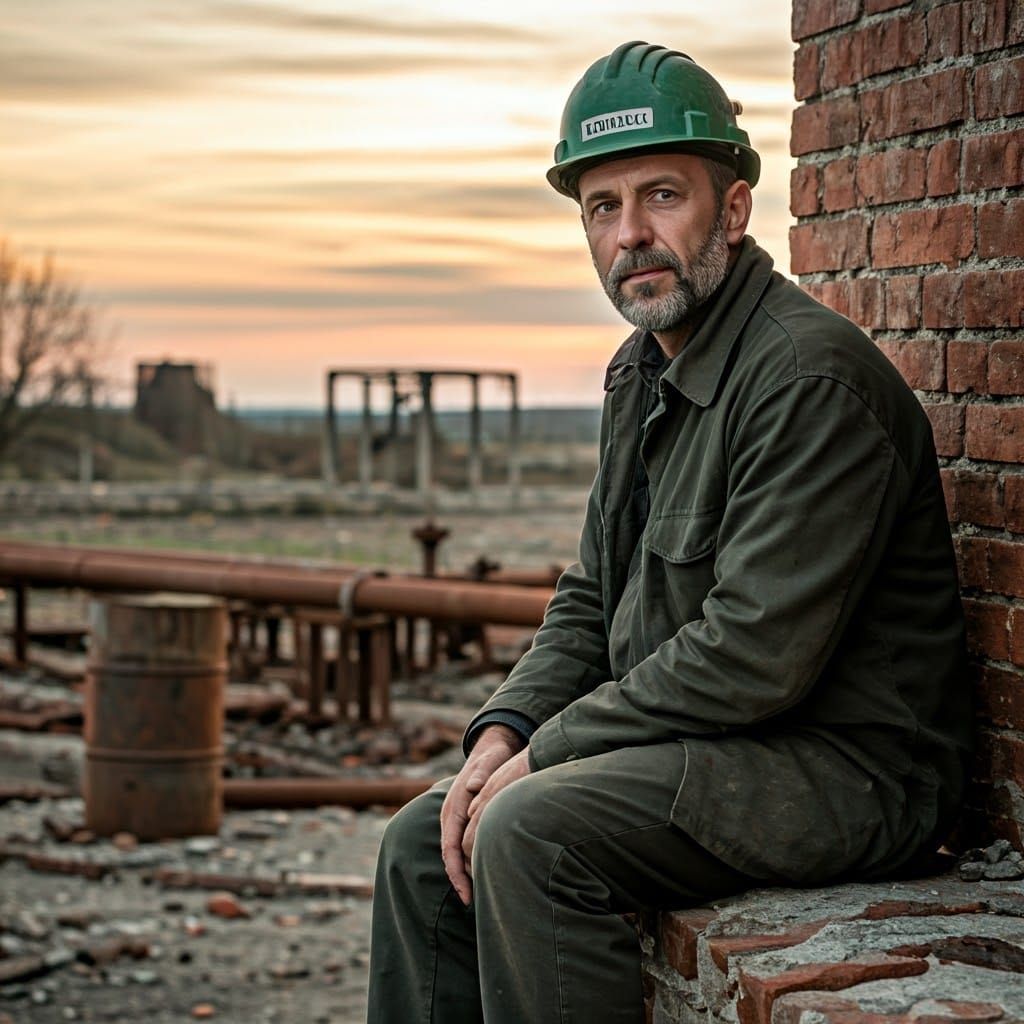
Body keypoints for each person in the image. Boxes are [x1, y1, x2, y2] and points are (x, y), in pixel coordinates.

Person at [367, 41, 972, 1024]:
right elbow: (588, 600)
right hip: (711, 746)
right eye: (602, 208)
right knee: (419, 841)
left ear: (731, 209)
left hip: (843, 771)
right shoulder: (637, 371)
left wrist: (551, 754)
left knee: (527, 829)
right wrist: (502, 734)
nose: (629, 235)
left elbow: (750, 654)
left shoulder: (805, 379)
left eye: (661, 196)